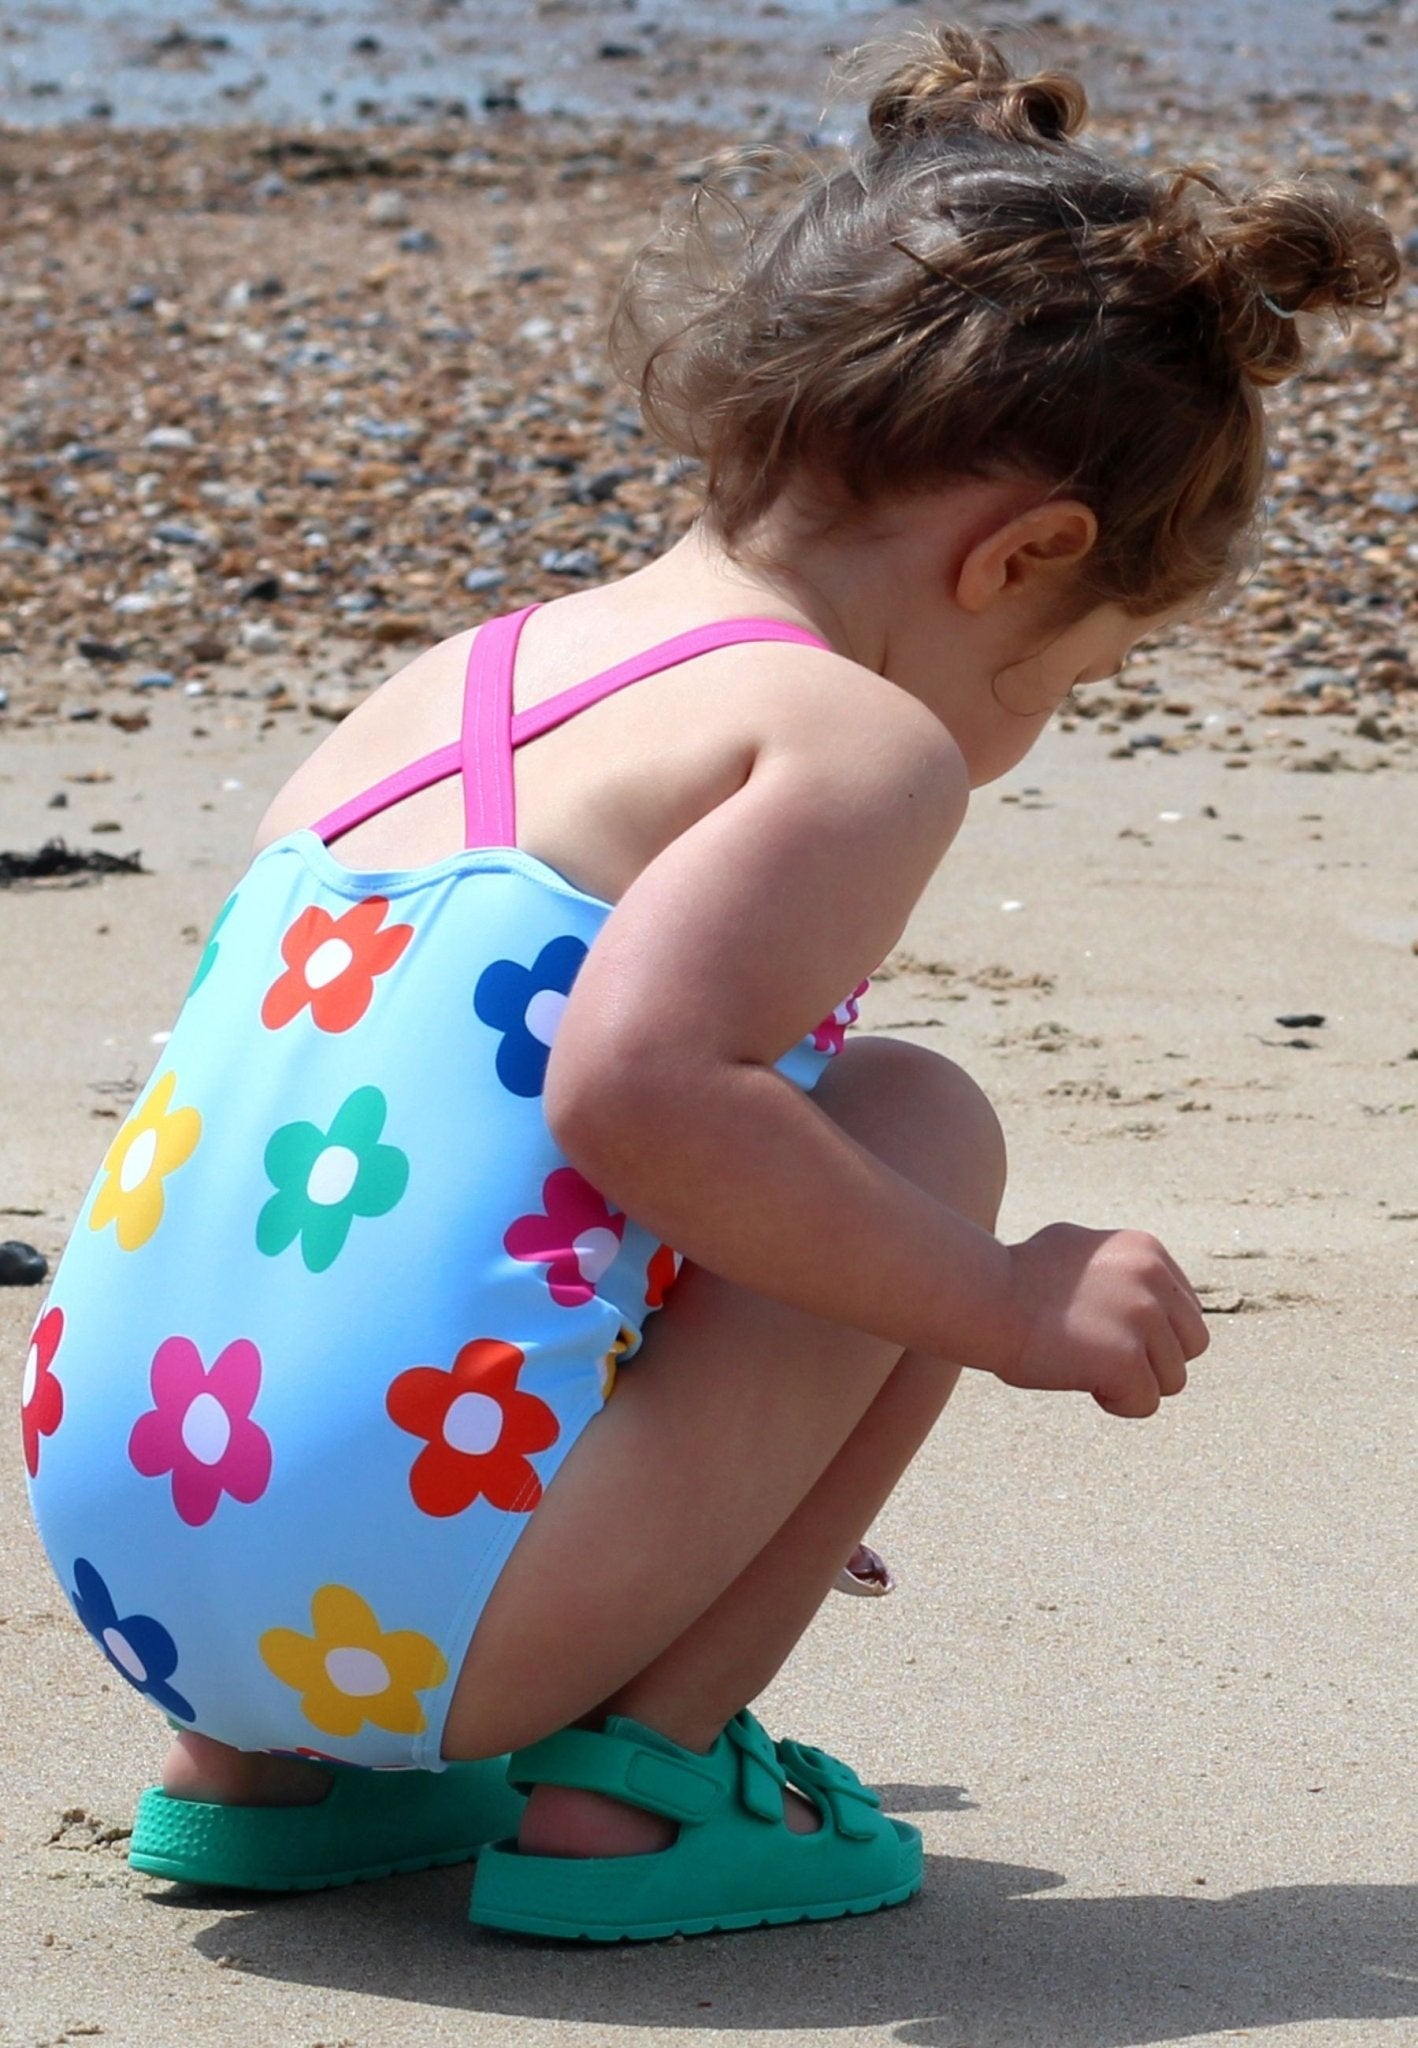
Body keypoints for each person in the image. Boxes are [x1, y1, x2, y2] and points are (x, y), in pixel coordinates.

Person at [20, 24, 1397, 1941]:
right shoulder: (845, 740)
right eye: (1066, 680)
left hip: (137, 1570)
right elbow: (635, 1094)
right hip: (421, 1603)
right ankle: (645, 1787)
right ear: (1025, 556)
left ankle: (266, 1779)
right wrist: (993, 1300)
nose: (1018, 737)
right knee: (913, 1126)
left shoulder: (458, 680)